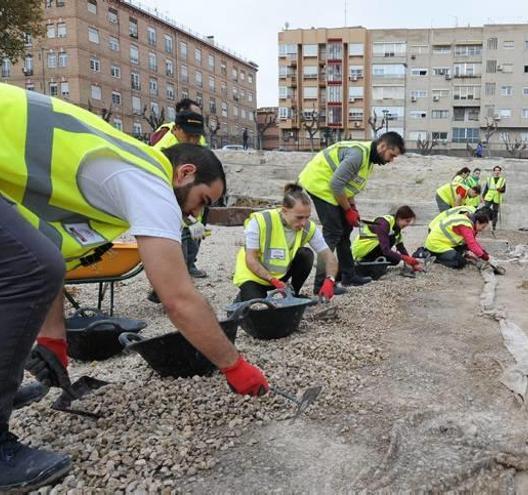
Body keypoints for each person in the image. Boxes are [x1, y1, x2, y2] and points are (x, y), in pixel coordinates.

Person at [0, 84, 267, 492]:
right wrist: (235, 366)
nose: (196, 213)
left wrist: (52, 338)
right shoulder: (149, 180)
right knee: (29, 268)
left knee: (28, 265)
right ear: (185, 173)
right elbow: (177, 298)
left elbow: (46, 251)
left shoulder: (114, 164)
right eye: (201, 200)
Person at [297, 132, 405, 293]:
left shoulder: (368, 160)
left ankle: (349, 276)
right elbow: (336, 184)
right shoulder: (358, 155)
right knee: (332, 233)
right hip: (319, 184)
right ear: (382, 146)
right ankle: (320, 286)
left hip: (332, 188)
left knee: (345, 230)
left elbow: (349, 186)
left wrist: (353, 208)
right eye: (392, 155)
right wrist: (347, 210)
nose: (391, 160)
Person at [233, 183, 338, 301]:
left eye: (307, 217)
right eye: (299, 217)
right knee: (258, 309)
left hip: (279, 278)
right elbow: (251, 259)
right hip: (253, 276)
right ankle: (244, 296)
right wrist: (272, 280)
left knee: (306, 254)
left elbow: (329, 257)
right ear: (284, 211)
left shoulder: (308, 228)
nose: (304, 223)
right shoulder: (261, 221)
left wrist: (330, 280)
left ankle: (293, 294)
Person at [151, 110, 210, 280]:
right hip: (173, 203)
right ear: (176, 129)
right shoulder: (163, 150)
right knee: (178, 243)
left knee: (195, 237)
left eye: (197, 137)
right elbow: (164, 186)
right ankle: (172, 282)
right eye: (189, 136)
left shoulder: (198, 141)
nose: (193, 141)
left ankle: (189, 266)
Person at [352, 206, 421, 280]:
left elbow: (400, 247)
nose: (408, 224)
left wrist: (411, 262)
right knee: (391, 239)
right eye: (407, 221)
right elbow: (386, 250)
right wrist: (406, 258)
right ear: (399, 218)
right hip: (362, 251)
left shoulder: (395, 227)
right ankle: (367, 263)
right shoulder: (383, 224)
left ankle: (375, 262)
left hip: (373, 250)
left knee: (395, 260)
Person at [423, 209, 493, 269]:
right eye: (483, 227)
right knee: (460, 262)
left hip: (441, 242)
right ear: (477, 222)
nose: (482, 230)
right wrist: (486, 258)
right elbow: (472, 245)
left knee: (462, 251)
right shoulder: (465, 225)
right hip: (436, 244)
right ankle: (433, 257)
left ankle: (435, 254)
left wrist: (485, 254)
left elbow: (472, 242)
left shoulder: (467, 220)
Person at [483, 165, 507, 231]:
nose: (497, 172)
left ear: (500, 172)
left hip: (497, 197)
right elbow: (486, 189)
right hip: (489, 197)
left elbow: (504, 190)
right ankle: (485, 225)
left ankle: (494, 226)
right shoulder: (489, 179)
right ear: (493, 171)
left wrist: (500, 190)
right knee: (485, 210)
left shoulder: (502, 180)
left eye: (498, 170)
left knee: (495, 212)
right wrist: (483, 196)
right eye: (496, 170)